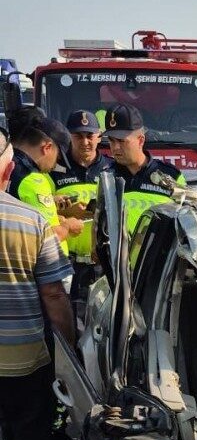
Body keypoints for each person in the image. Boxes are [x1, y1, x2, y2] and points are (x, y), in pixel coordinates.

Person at [0, 126, 76, 440]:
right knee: (32, 431)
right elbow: (53, 295)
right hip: (24, 353)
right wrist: (69, 341)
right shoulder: (30, 221)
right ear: (8, 168)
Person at [51, 110, 114, 317]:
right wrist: (63, 210)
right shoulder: (54, 168)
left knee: (103, 323)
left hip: (103, 263)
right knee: (66, 322)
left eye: (90, 136)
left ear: (99, 137)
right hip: (66, 262)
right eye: (78, 136)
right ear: (69, 136)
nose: (85, 142)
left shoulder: (113, 169)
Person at [8, 110, 83, 260]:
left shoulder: (7, 165)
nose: (55, 165)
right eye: (58, 157)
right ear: (47, 147)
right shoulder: (33, 179)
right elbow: (47, 237)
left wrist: (55, 212)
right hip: (37, 269)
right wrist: (68, 226)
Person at [103, 104, 186, 234]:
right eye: (112, 141)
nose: (115, 147)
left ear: (141, 140)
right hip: (117, 254)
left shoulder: (171, 176)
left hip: (157, 253)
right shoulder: (107, 177)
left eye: (121, 141)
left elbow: (185, 221)